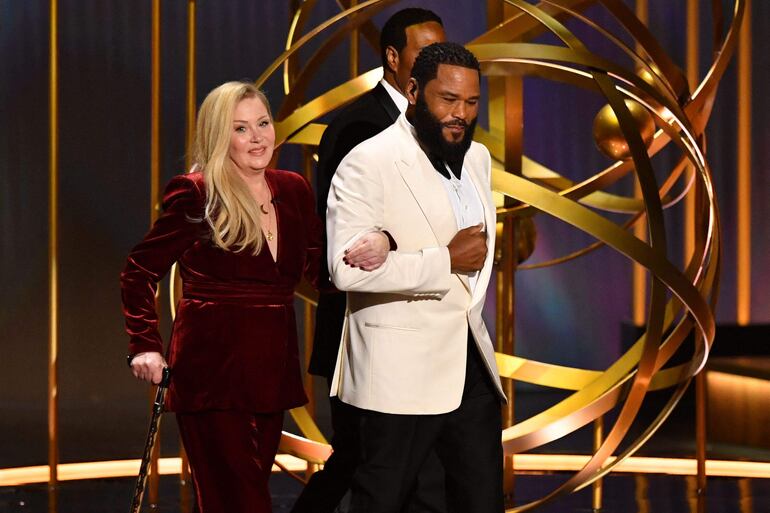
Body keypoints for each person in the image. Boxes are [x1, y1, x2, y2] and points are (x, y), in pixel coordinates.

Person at [120, 81, 387, 513]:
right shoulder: (197, 193)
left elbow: (322, 274)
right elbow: (139, 271)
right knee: (241, 502)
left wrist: (383, 246)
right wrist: (144, 346)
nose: (258, 136)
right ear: (218, 135)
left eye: (263, 123)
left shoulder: (293, 189)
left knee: (244, 497)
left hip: (270, 374)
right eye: (241, 128)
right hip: (211, 377)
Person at [326, 43, 506, 513]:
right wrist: (443, 259)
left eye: (470, 102)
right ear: (412, 90)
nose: (460, 114)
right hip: (398, 371)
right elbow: (344, 270)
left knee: (481, 501)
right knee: (384, 502)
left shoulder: (478, 158)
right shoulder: (369, 161)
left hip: (469, 366)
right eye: (448, 99)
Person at [293, 8, 447, 513]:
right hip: (362, 328)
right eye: (425, 54)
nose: (436, 65)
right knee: (368, 460)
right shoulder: (359, 125)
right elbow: (348, 240)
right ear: (393, 57)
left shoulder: (438, 126)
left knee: (387, 463)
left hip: (419, 328)